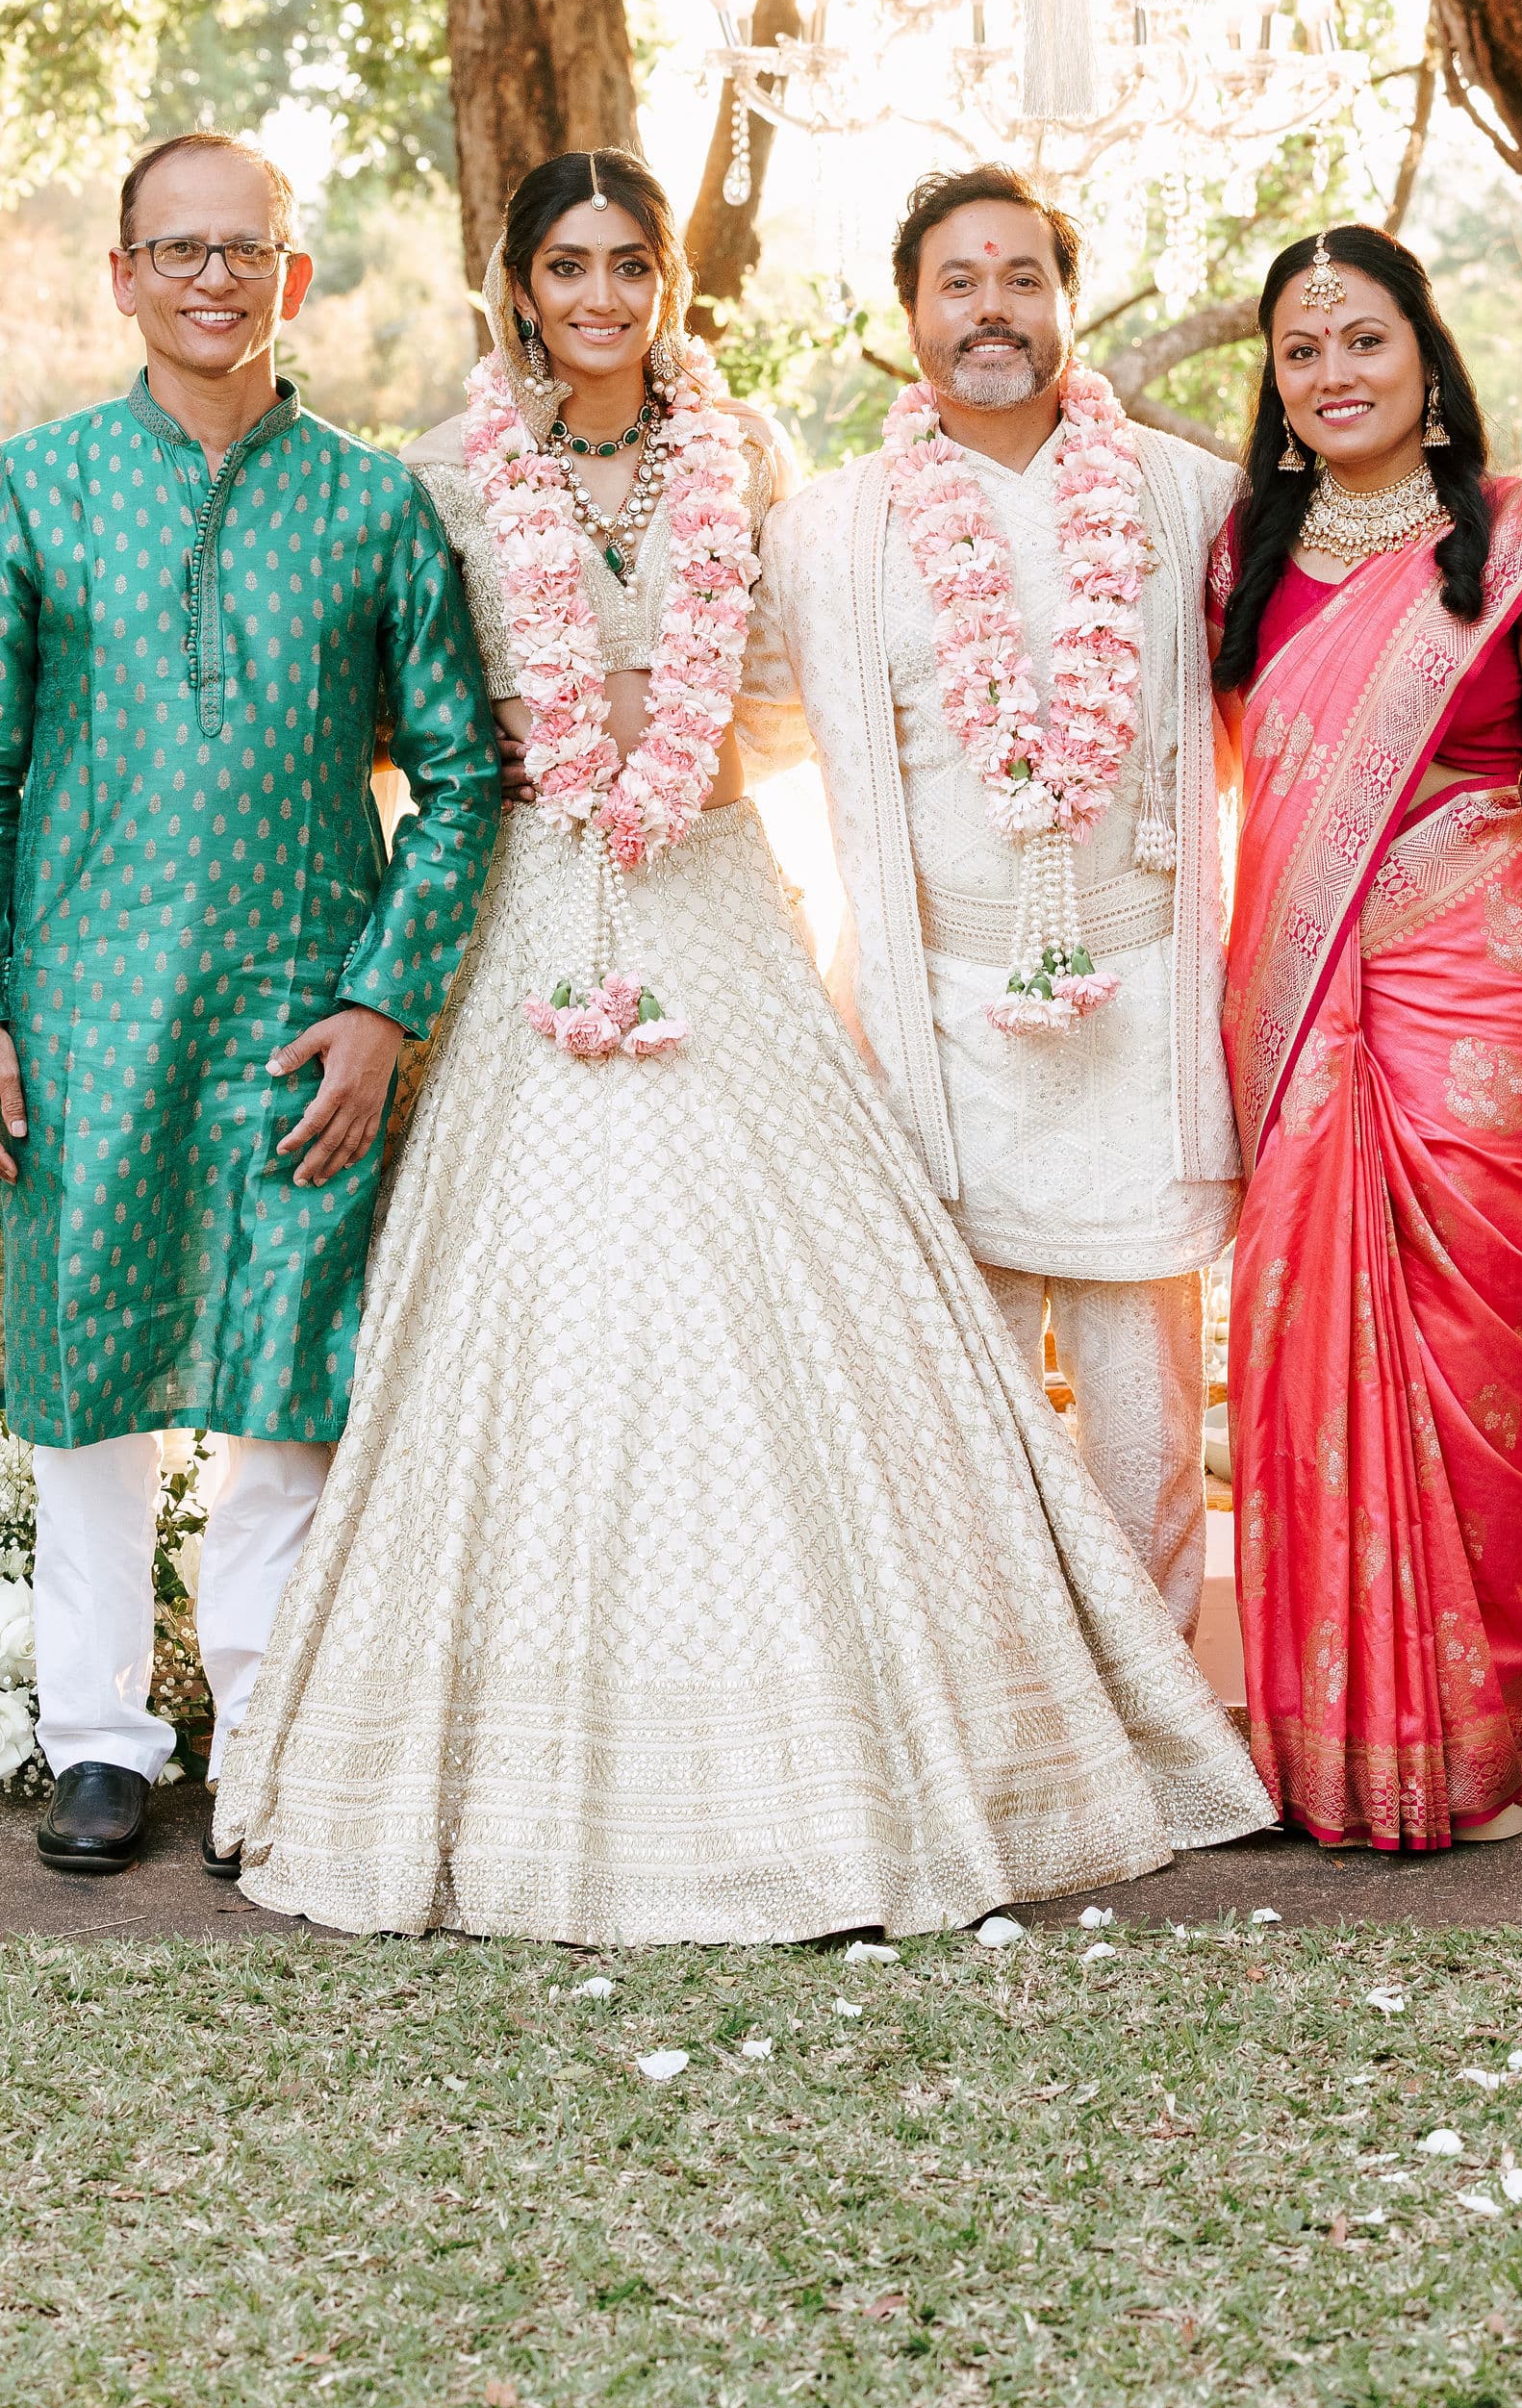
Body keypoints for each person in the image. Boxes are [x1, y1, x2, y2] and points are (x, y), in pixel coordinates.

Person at [216, 148, 1272, 1940]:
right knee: (545, 1292)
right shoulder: (447, 478)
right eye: (570, 267)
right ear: (521, 291)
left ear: (671, 289)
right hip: (541, 903)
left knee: (810, 1287)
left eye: (633, 264)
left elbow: (812, 689)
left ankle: (932, 1734)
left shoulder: (759, 465)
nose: (605, 296)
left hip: (713, 887)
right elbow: (403, 714)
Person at [0, 129, 500, 1881]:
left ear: (291, 277)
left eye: (241, 248)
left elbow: (465, 776)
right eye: (172, 249)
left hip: (296, 1014)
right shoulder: (42, 484)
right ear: (122, 277)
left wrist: (385, 1007)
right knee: (87, 1389)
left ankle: (270, 1732)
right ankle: (96, 1740)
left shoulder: (372, 499)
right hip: (80, 1008)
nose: (207, 277)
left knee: (282, 1389)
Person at [1210, 224, 1522, 1856]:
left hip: (1475, 997)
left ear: (1426, 362)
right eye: (1298, 351)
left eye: (1363, 344)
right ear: (1272, 385)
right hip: (1297, 1012)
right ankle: (1325, 1749)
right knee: (1291, 1354)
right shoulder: (1239, 560)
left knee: (1477, 1363)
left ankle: (1473, 1751)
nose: (1331, 374)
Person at [746, 165, 1240, 1636]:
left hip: (1141, 1011)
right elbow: (750, 730)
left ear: (1069, 307)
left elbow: (1279, 713)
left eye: (1021, 279)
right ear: (908, 318)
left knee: (1150, 1433)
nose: (991, 312)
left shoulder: (1190, 498)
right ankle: (1002, 1723)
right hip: (932, 1017)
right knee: (956, 1418)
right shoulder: (822, 535)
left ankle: (1157, 1711)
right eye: (956, 283)